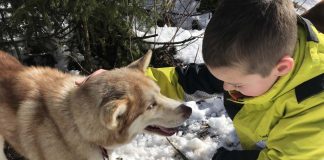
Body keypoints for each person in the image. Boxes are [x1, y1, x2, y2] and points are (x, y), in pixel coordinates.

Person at [77, 0, 324, 159]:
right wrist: (126, 84)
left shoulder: (314, 108)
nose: (226, 88)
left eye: (236, 85)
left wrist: (222, 158)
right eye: (223, 79)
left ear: (282, 68)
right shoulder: (254, 59)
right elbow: (188, 81)